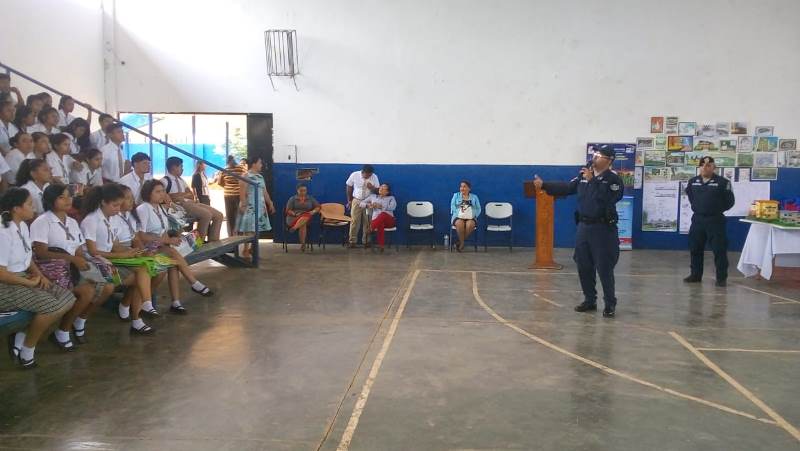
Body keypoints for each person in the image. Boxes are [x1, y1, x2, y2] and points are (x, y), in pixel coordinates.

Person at [533, 144, 623, 318]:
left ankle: (610, 303)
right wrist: (544, 185)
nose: (595, 157)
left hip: (603, 229)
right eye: (595, 154)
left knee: (604, 267)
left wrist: (593, 180)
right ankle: (589, 300)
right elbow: (568, 188)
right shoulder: (583, 175)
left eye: (599, 155)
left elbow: (608, 199)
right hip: (584, 227)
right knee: (583, 265)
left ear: (609, 160)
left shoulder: (613, 180)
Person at [30, 184, 115, 349]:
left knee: (108, 285)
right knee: (87, 291)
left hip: (72, 269)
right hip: (53, 272)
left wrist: (89, 265)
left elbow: (78, 249)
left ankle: (80, 320)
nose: (68, 200)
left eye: (69, 196)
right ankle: (63, 330)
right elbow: (41, 252)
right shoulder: (42, 221)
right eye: (62, 197)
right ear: (51, 200)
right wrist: (72, 259)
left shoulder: (72, 222)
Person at [1, 188, 76, 369]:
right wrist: (28, 282)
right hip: (6, 284)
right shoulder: (3, 232)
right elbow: (2, 273)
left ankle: (21, 336)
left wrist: (40, 276)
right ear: (16, 209)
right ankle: (27, 350)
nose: (34, 208)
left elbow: (28, 258)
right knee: (52, 306)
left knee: (68, 297)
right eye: (29, 204)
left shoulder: (22, 225)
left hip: (24, 277)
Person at [81, 184, 160, 334]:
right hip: (95, 262)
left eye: (119, 205)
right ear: (103, 202)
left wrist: (134, 252)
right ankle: (140, 313)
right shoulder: (91, 220)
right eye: (115, 205)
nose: (118, 209)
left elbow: (115, 244)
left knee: (145, 270)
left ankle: (142, 310)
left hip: (109, 259)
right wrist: (121, 255)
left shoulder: (112, 218)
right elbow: (92, 252)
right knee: (140, 277)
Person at [136, 180, 214, 301]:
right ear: (148, 193)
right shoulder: (143, 209)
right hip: (147, 249)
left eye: (163, 191)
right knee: (172, 254)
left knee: (174, 262)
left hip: (161, 246)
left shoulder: (160, 208)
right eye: (157, 192)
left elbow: (164, 231)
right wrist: (167, 241)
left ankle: (176, 302)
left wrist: (174, 239)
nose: (162, 194)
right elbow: (141, 235)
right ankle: (194, 283)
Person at [684, 156, 736, 287]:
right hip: (698, 220)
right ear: (699, 167)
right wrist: (700, 208)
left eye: (708, 165)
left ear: (714, 167)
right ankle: (695, 275)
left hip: (715, 220)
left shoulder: (723, 182)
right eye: (702, 165)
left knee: (719, 250)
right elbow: (691, 197)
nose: (705, 167)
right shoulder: (693, 181)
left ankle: (721, 278)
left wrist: (715, 209)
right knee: (695, 248)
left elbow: (730, 202)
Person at [162, 157, 223, 242]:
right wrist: (182, 195)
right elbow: (165, 197)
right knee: (206, 215)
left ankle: (214, 242)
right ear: (174, 167)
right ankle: (199, 244)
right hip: (180, 206)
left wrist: (179, 195)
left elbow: (191, 195)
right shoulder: (164, 181)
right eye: (181, 166)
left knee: (219, 215)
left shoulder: (181, 180)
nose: (182, 169)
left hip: (191, 203)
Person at [237, 156, 275, 258]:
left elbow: (264, 192)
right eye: (260, 163)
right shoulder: (246, 176)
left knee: (257, 229)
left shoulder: (260, 177)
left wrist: (270, 203)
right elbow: (242, 193)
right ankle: (245, 250)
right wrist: (243, 205)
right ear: (254, 164)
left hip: (260, 206)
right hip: (250, 207)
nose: (261, 165)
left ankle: (252, 249)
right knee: (249, 229)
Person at [345, 164, 379, 248]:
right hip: (356, 200)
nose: (369, 177)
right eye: (367, 175)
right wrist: (349, 200)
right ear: (362, 172)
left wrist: (372, 188)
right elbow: (349, 186)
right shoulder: (355, 175)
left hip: (368, 202)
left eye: (370, 175)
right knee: (354, 221)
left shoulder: (374, 177)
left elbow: (378, 191)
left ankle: (366, 241)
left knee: (368, 222)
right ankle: (352, 242)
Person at [360, 183, 397, 252]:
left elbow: (393, 207)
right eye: (380, 187)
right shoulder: (373, 196)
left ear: (387, 192)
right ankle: (381, 246)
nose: (381, 188)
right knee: (380, 223)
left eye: (383, 188)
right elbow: (361, 203)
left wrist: (380, 206)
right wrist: (369, 205)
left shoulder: (391, 198)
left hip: (389, 221)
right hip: (377, 221)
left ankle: (371, 228)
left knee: (383, 214)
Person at [215, 155, 245, 237]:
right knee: (239, 214)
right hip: (238, 194)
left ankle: (231, 234)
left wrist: (228, 186)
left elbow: (220, 182)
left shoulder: (224, 169)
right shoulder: (241, 168)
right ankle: (239, 233)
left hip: (228, 195)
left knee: (230, 216)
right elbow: (245, 180)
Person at [285, 184, 320, 252]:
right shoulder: (292, 199)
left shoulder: (310, 198)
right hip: (293, 217)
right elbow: (288, 210)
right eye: (301, 190)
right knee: (303, 223)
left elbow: (318, 206)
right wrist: (295, 214)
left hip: (306, 217)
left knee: (306, 217)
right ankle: (303, 244)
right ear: (297, 190)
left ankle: (294, 228)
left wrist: (313, 211)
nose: (303, 192)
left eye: (304, 190)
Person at [449, 181, 482, 252]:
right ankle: (462, 243)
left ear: (469, 188)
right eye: (461, 186)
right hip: (458, 216)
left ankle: (460, 242)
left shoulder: (474, 197)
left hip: (471, 217)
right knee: (459, 224)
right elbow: (452, 206)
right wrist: (458, 212)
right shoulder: (456, 195)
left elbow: (479, 208)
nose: (462, 188)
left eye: (464, 186)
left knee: (470, 225)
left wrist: (474, 215)